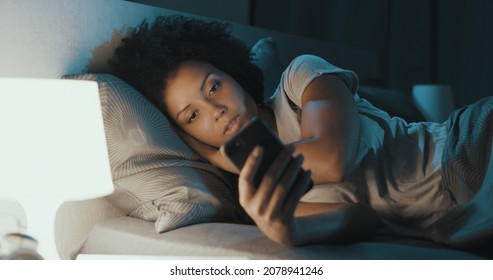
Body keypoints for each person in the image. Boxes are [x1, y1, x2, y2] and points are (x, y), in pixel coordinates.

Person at [110, 15, 493, 254]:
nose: (217, 111)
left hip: (469, 148)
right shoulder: (257, 198)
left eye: (214, 87)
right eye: (192, 115)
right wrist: (287, 227)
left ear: (233, 73)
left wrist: (219, 157)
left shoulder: (300, 80)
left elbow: (332, 158)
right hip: (460, 221)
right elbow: (362, 220)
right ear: (184, 133)